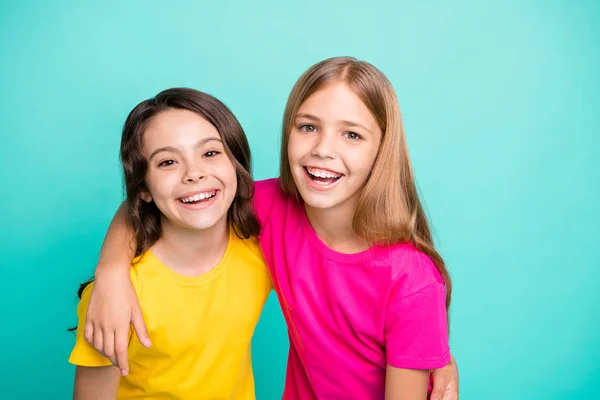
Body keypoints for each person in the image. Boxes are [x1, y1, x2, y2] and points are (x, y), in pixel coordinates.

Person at [84, 57, 459, 399]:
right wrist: (112, 271)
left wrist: (431, 349)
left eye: (352, 134)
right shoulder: (271, 208)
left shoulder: (412, 280)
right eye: (309, 126)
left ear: (383, 149)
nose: (324, 150)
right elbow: (160, 196)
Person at [69, 88, 271, 399]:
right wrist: (110, 273)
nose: (194, 174)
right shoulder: (116, 297)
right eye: (167, 162)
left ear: (236, 165)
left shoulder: (263, 244)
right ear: (144, 188)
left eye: (210, 153)